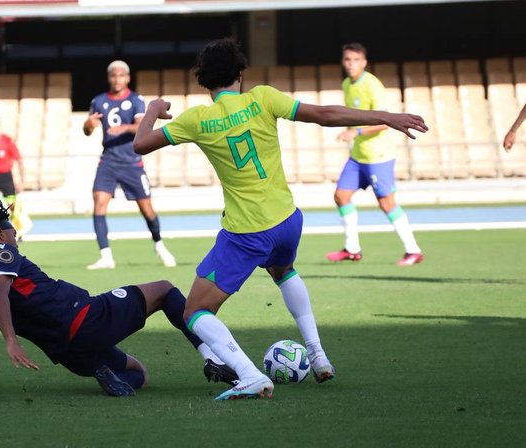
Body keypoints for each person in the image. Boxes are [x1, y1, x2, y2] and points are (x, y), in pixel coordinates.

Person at [134, 38, 427, 400]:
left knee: (195, 310)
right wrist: (386, 115)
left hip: (247, 231)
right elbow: (325, 116)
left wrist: (153, 108)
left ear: (205, 82)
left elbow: (140, 144)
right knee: (283, 270)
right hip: (288, 220)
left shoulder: (196, 119)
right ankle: (317, 355)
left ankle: (249, 374)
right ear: (240, 75)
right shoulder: (263, 98)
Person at [0, 200, 238, 397]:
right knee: (164, 289)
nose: (16, 236)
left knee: (140, 374)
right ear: (0, 233)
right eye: (12, 230)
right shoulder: (4, 253)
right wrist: (10, 339)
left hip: (70, 354)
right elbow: (1, 291)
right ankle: (211, 357)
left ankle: (111, 379)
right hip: (86, 318)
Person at [326, 43, 424, 266]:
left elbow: (385, 122)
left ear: (364, 62)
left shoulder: (372, 85)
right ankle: (352, 248)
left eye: (356, 60)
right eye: (347, 60)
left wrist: (356, 132)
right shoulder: (346, 84)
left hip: (378, 156)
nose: (351, 64)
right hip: (358, 156)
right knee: (341, 196)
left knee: (386, 202)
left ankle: (413, 250)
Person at [83, 60, 176, 270]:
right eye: (114, 76)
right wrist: (87, 125)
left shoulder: (136, 99)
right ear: (109, 78)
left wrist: (124, 127)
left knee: (147, 209)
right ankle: (106, 256)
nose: (117, 79)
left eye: (121, 75)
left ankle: (159, 244)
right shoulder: (98, 101)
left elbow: (143, 127)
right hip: (108, 161)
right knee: (99, 203)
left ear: (128, 78)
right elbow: (88, 130)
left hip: (132, 162)